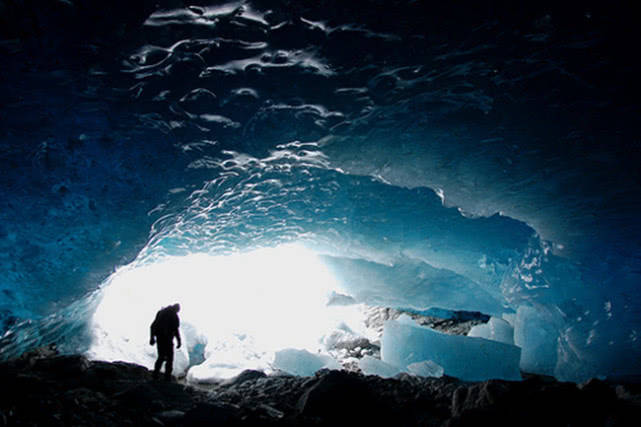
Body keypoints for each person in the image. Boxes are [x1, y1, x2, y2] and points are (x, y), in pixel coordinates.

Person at [149, 303, 182, 380]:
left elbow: (153, 326)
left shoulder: (161, 313)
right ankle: (167, 377)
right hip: (168, 340)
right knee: (170, 359)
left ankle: (155, 375)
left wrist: (152, 338)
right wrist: (179, 341)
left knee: (161, 357)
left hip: (160, 339)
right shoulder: (174, 316)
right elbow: (176, 330)